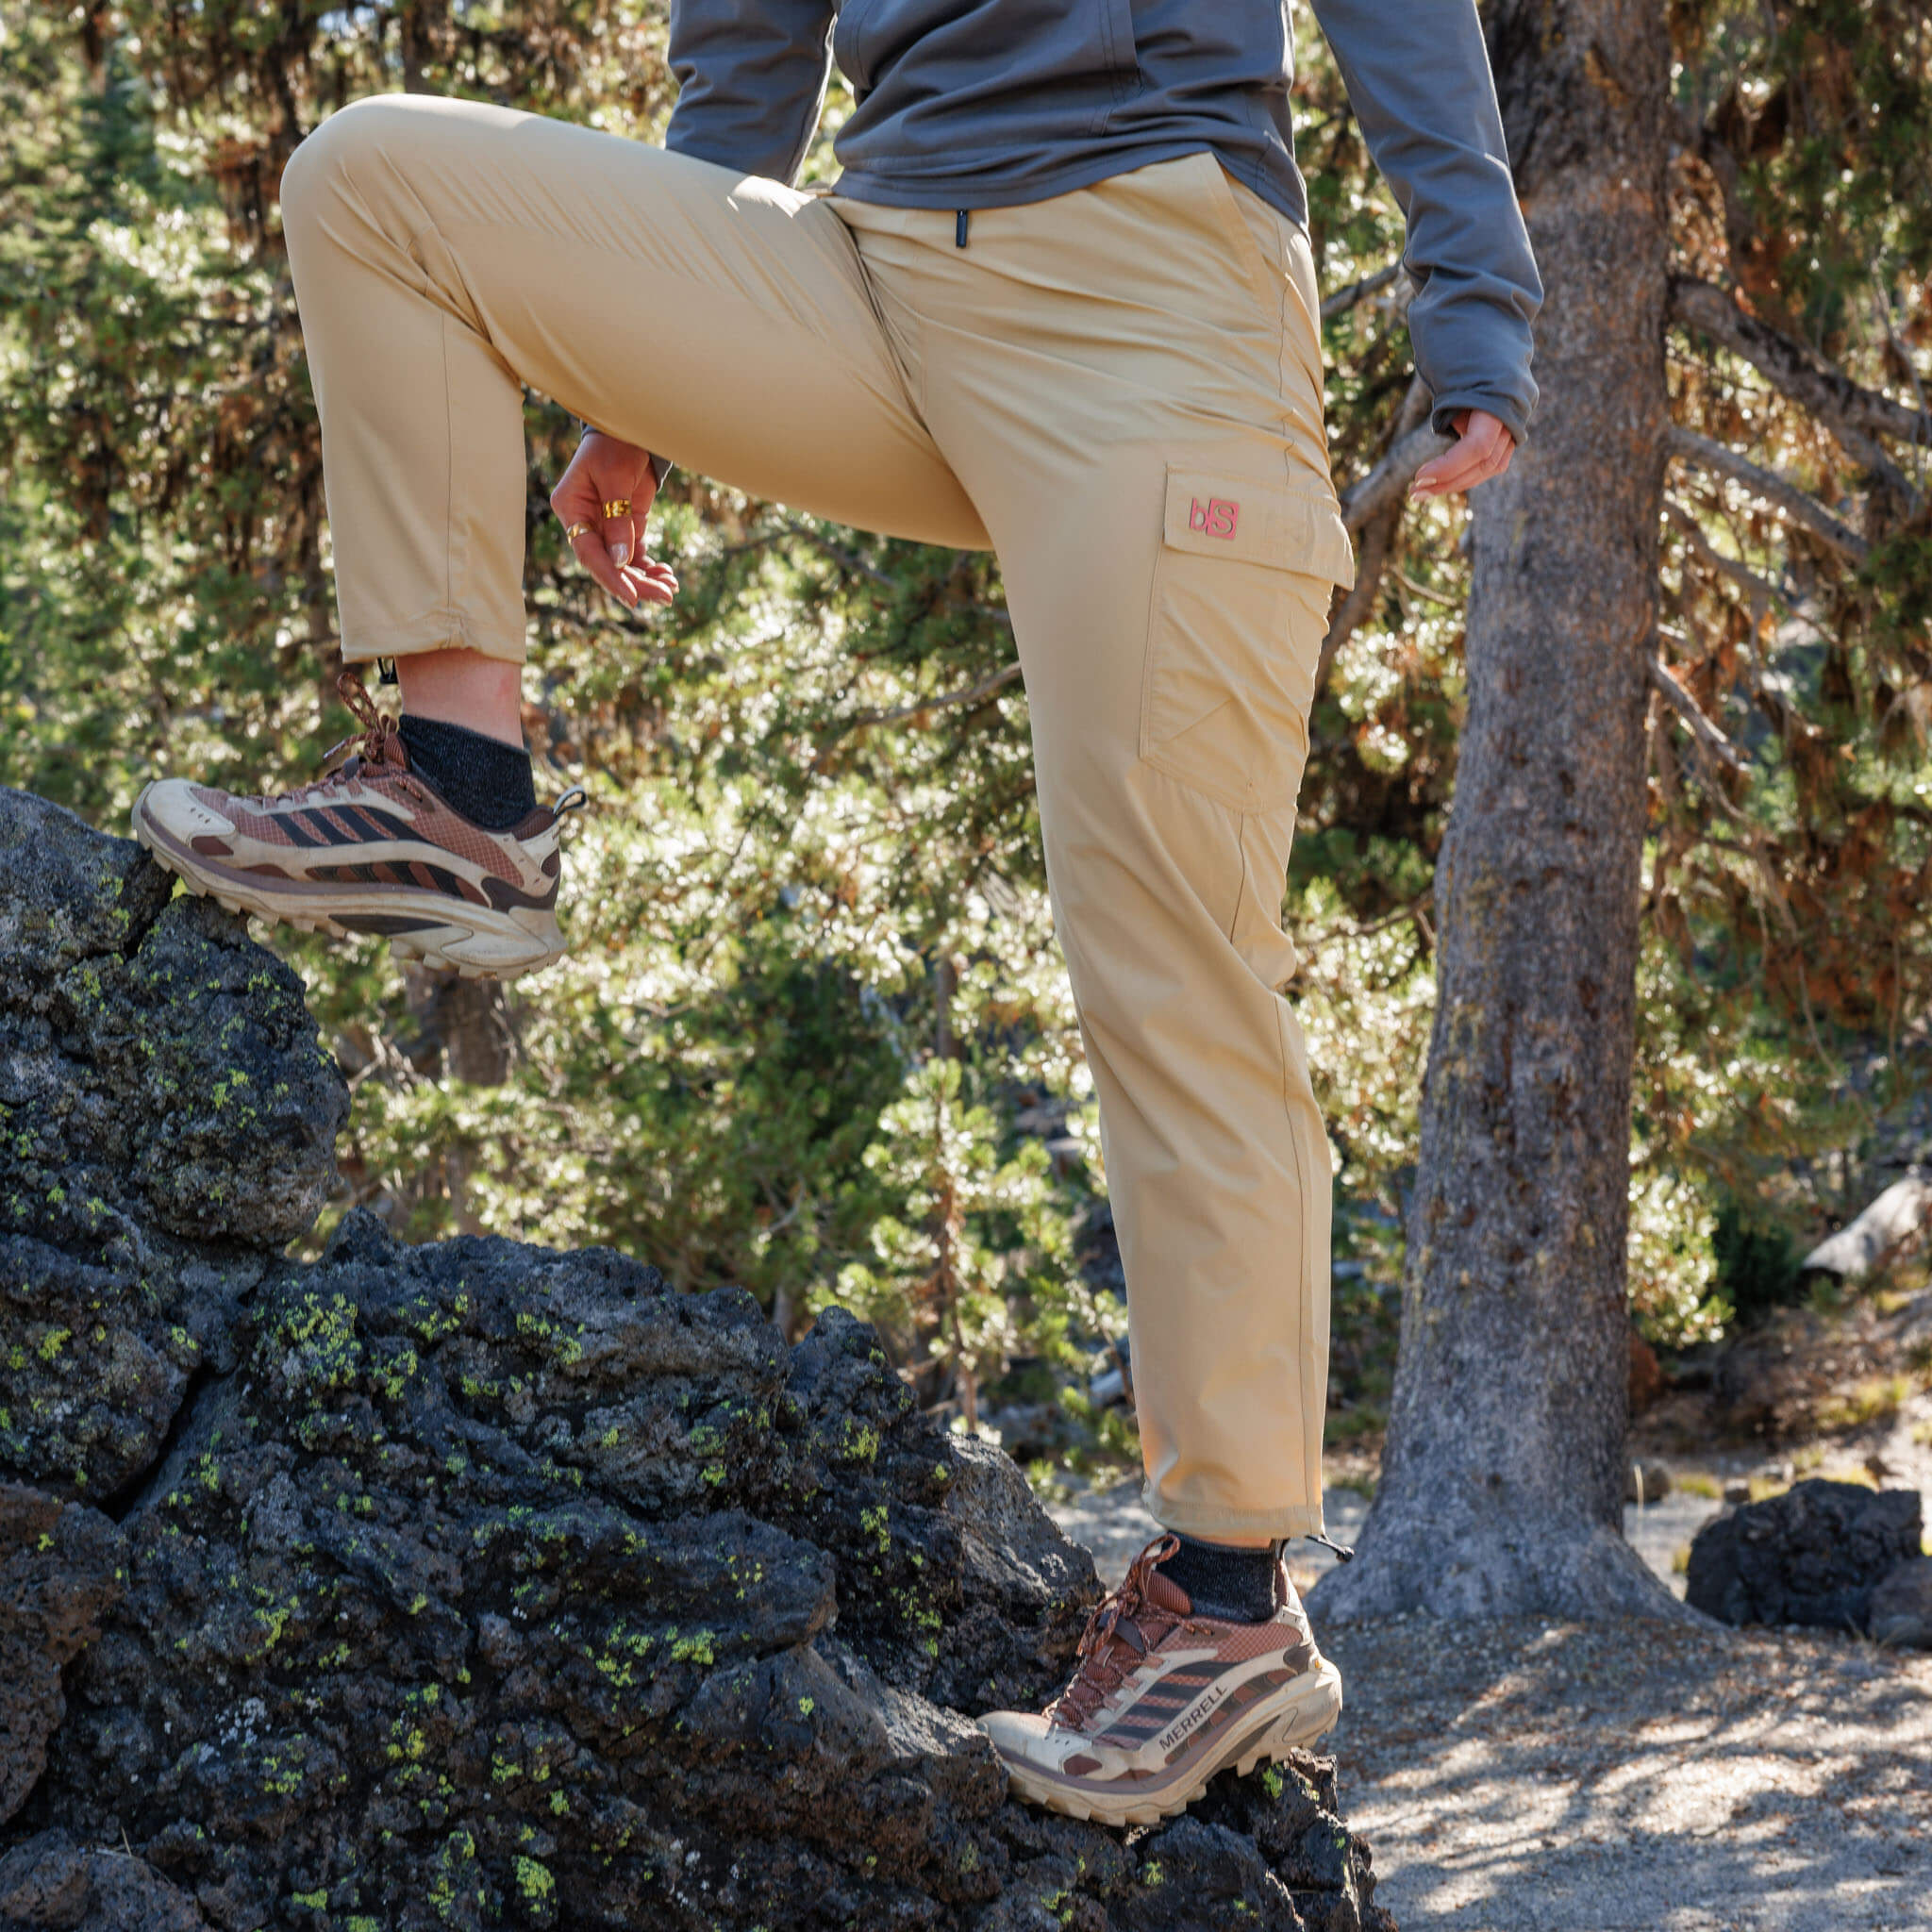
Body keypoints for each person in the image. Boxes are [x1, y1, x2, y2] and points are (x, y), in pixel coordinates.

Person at [131, 0, 1540, 1825]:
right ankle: (460, 794)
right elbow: (745, 37)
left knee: (1170, 956)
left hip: (1154, 299)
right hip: (866, 275)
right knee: (376, 175)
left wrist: (1475, 305)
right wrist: (639, 387)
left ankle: (1228, 1599)